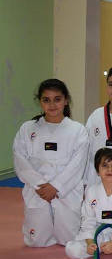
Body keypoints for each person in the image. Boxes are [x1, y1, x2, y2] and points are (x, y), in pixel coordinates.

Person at [13, 79, 88, 247]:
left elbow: (77, 165)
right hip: (37, 190)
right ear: (40, 101)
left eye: (57, 99)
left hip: (66, 190)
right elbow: (20, 159)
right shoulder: (28, 129)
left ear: (66, 100)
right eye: (46, 100)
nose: (52, 105)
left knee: (70, 241)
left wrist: (56, 186)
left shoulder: (77, 130)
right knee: (36, 241)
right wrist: (40, 184)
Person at [65, 148, 112, 259]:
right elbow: (88, 219)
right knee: (72, 251)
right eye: (104, 165)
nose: (109, 169)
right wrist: (90, 243)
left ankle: (110, 247)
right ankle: (99, 247)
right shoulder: (91, 191)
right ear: (97, 171)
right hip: (98, 232)